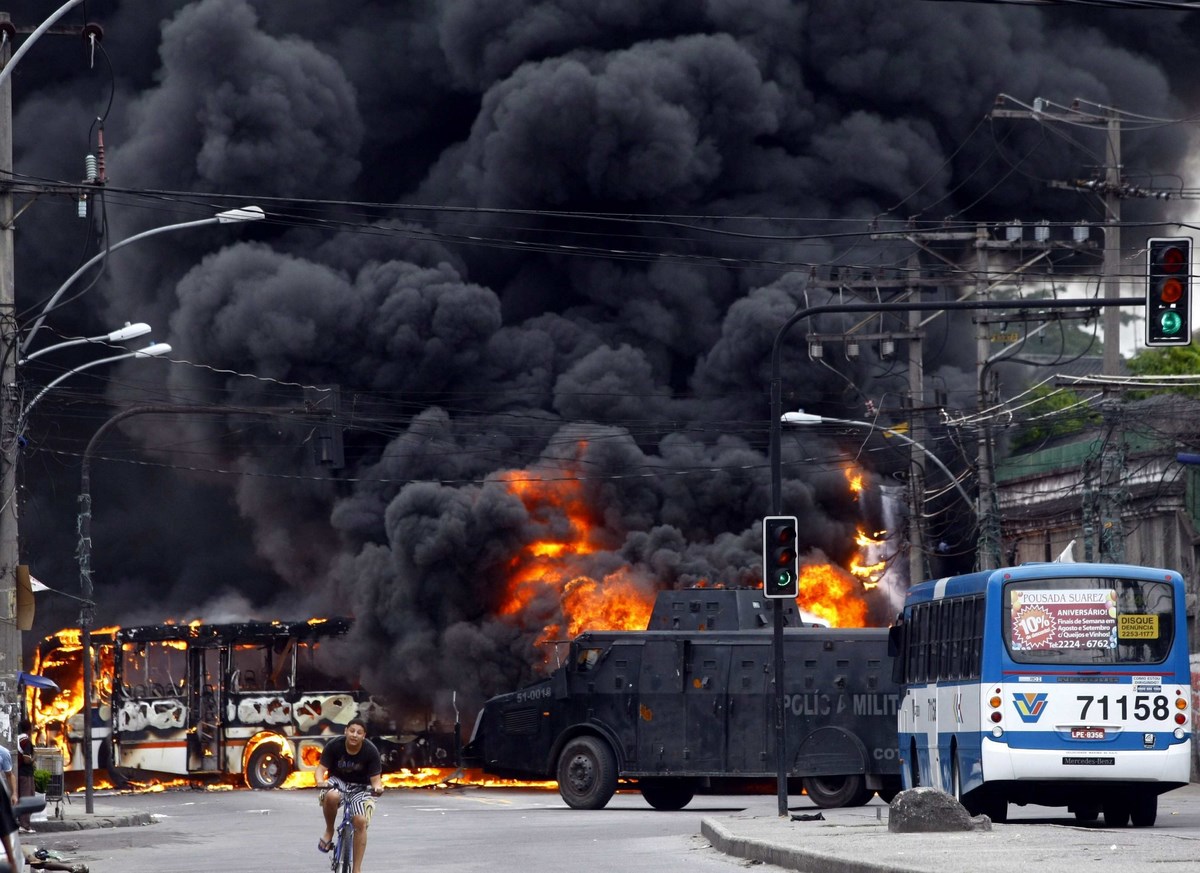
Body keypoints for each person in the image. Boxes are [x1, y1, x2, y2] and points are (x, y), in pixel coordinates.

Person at [316, 718, 383, 873]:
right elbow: (321, 769)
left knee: (360, 821)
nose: (354, 735)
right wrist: (320, 781)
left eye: (359, 733)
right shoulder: (334, 745)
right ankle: (329, 831)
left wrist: (378, 788)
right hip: (338, 782)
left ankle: (357, 869)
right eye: (352, 731)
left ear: (364, 736)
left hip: (361, 787)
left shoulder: (370, 751)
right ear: (345, 731)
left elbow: (376, 780)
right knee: (331, 796)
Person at [15, 720, 33, 834]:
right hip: (26, 774)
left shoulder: (17, 739)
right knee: (28, 799)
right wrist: (33, 760)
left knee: (24, 798)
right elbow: (26, 758)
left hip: (20, 773)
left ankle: (24, 824)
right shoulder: (26, 741)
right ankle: (25, 825)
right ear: (29, 729)